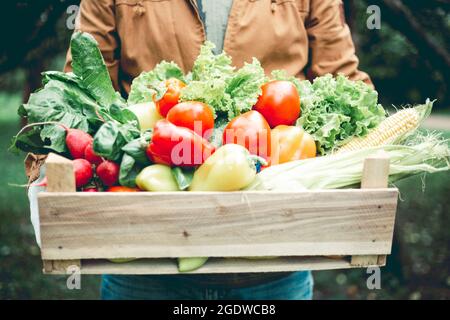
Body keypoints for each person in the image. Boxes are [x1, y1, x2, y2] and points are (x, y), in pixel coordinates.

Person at [64, 0, 372, 300]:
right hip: (146, 261)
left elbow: (343, 78)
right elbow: (80, 86)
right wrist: (50, 179)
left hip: (273, 260)